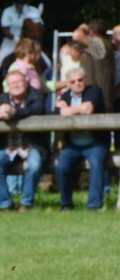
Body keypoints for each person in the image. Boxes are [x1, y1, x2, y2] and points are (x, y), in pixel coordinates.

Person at [0, 67, 49, 211]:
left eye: (18, 82)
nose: (15, 86)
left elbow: (37, 110)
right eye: (11, 83)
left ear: (26, 82)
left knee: (35, 165)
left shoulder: (36, 95)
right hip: (7, 146)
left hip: (32, 146)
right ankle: (6, 204)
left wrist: (14, 112)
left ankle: (26, 203)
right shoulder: (3, 98)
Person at [52, 66, 107, 210]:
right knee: (61, 165)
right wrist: (72, 110)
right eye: (73, 81)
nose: (77, 83)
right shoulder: (65, 96)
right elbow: (57, 113)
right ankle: (66, 204)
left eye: (80, 80)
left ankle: (94, 205)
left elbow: (88, 108)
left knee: (95, 163)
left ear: (85, 80)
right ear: (68, 84)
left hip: (95, 142)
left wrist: (66, 110)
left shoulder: (94, 91)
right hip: (73, 144)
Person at [0, 0, 42, 75]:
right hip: (11, 42)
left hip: (30, 43)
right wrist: (16, 38)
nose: (22, 7)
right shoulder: (8, 11)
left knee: (47, 62)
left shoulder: (33, 10)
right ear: (15, 3)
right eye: (20, 4)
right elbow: (5, 29)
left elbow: (39, 27)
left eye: (25, 4)